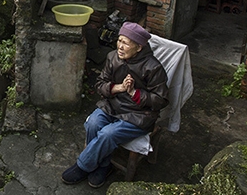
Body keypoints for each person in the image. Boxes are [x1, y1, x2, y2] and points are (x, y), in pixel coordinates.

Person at [61, 21, 169, 188]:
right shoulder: (113, 57)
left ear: (139, 47)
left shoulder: (153, 68)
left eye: (125, 43)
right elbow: (100, 84)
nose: (120, 46)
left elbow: (161, 100)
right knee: (93, 123)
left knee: (107, 134)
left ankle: (83, 166)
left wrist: (134, 92)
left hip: (138, 115)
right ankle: (104, 166)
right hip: (112, 105)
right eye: (119, 40)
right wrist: (118, 88)